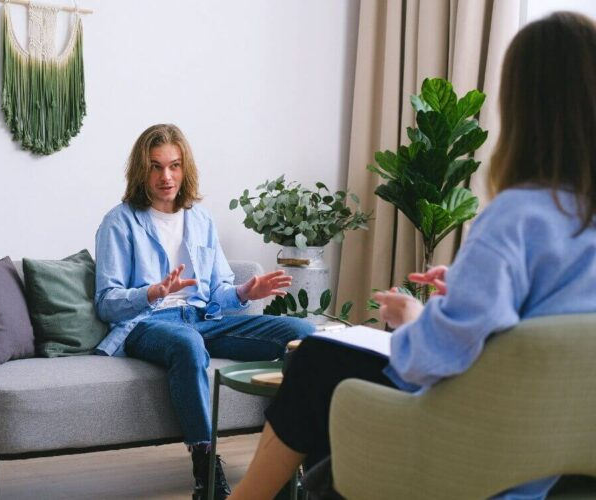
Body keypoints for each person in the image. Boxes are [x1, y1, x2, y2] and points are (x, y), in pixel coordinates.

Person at [229, 11, 596, 500]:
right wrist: (468, 285)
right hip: (557, 456)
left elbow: (435, 358)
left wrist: (414, 316)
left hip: (477, 453)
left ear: (522, 107)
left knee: (316, 361)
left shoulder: (517, 216)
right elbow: (550, 328)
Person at [94, 123, 315, 499]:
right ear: (141, 171)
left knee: (302, 335)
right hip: (148, 324)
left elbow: (218, 292)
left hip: (203, 320)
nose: (167, 176)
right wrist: (153, 292)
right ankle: (206, 471)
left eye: (174, 165)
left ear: (185, 168)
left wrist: (246, 291)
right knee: (187, 344)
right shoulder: (120, 221)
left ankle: (288, 464)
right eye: (156, 166)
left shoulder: (200, 219)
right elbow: (107, 302)